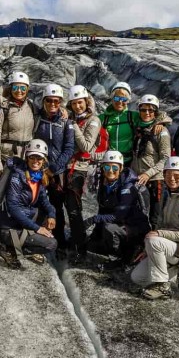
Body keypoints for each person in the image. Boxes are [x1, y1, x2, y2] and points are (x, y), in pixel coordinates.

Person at [130, 157, 179, 300]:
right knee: (137, 278)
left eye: (177, 176)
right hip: (170, 249)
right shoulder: (166, 194)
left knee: (154, 240)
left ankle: (163, 286)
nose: (172, 179)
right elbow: (161, 224)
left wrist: (158, 235)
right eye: (168, 175)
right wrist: (148, 250)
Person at [0, 139, 58, 268]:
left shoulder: (38, 177)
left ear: (44, 160)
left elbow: (45, 202)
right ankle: (10, 250)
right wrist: (37, 228)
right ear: (27, 158)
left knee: (44, 212)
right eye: (32, 157)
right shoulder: (17, 177)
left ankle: (17, 245)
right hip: (8, 228)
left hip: (19, 223)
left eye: (39, 158)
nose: (35, 161)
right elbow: (13, 208)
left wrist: (52, 214)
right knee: (51, 244)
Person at [85, 150, 149, 267]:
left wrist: (93, 219)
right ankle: (116, 250)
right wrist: (95, 235)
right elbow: (103, 209)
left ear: (120, 168)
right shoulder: (105, 183)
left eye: (114, 168)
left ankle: (123, 257)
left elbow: (119, 215)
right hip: (121, 225)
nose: (110, 171)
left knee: (109, 228)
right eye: (107, 167)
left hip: (134, 228)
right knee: (92, 245)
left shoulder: (128, 186)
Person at [34, 84, 76, 251]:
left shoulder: (66, 122)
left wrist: (52, 169)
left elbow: (69, 148)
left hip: (57, 172)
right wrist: (41, 168)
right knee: (36, 203)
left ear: (61, 103)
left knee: (57, 207)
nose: (53, 104)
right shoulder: (37, 117)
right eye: (49, 100)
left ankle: (59, 239)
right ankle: (37, 237)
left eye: (56, 101)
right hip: (38, 169)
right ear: (44, 101)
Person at [65, 85, 103, 262]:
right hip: (65, 167)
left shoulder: (93, 120)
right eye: (74, 103)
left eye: (79, 102)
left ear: (86, 102)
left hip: (79, 169)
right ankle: (70, 240)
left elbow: (86, 146)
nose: (77, 106)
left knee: (74, 209)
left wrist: (73, 126)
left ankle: (80, 248)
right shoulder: (72, 117)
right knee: (65, 205)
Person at [131, 94, 172, 229]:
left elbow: (166, 158)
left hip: (155, 180)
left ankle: (153, 247)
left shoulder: (161, 131)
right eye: (143, 110)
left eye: (151, 110)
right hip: (138, 178)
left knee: (155, 217)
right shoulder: (138, 127)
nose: (147, 113)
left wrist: (149, 174)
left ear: (156, 112)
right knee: (137, 215)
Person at [0, 71, 37, 178]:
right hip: (6, 158)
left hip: (25, 160)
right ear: (10, 89)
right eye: (15, 88)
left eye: (23, 88)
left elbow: (48, 111)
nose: (19, 91)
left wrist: (62, 109)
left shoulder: (31, 106)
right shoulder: (2, 107)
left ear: (27, 89)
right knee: (1, 193)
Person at [100, 82, 138, 165]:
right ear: (112, 98)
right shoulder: (103, 118)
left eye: (124, 99)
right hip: (109, 161)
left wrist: (160, 123)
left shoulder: (133, 116)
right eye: (117, 98)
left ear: (128, 101)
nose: (120, 102)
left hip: (128, 161)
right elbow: (87, 120)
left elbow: (150, 117)